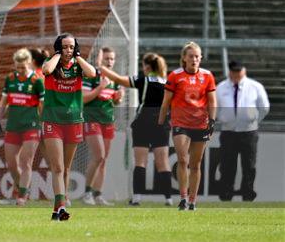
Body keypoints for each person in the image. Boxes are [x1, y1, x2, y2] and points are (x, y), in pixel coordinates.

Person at [100, 52, 173, 206]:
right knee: (163, 162)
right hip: (162, 123)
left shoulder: (144, 80)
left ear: (146, 66)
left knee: (140, 161)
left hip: (144, 122)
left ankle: (137, 197)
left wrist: (102, 68)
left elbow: (119, 80)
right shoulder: (167, 82)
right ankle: (169, 199)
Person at [42, 33, 96, 221]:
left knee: (66, 168)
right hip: (52, 120)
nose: (68, 50)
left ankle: (57, 210)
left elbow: (92, 73)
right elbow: (47, 70)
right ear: (58, 48)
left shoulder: (78, 66)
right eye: (64, 47)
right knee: (57, 167)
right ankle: (62, 206)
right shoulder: (51, 62)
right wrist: (57, 54)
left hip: (74, 120)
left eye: (71, 47)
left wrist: (78, 56)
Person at [158, 42, 216, 211]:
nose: (194, 59)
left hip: (200, 123)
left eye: (197, 56)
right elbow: (166, 102)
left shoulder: (207, 76)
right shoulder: (175, 76)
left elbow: (212, 101)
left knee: (196, 164)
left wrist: (212, 122)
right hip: (180, 123)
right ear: (184, 58)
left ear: (201, 58)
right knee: (183, 160)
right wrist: (160, 123)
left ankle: (192, 201)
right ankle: (183, 198)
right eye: (191, 56)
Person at [0, 48, 45, 206]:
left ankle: (22, 196)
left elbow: (43, 105)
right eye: (18, 67)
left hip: (31, 125)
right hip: (13, 126)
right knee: (11, 162)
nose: (20, 70)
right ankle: (20, 189)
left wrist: (43, 125)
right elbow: (3, 102)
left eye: (23, 67)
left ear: (29, 63)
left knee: (25, 161)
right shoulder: (10, 79)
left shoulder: (36, 81)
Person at [217, 60, 270, 201]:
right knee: (227, 165)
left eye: (239, 71)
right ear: (230, 71)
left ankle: (247, 194)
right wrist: (223, 119)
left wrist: (253, 121)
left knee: (249, 165)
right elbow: (214, 107)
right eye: (234, 71)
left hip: (249, 133)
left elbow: (264, 107)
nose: (236, 74)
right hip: (228, 132)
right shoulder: (221, 87)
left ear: (244, 71)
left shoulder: (255, 86)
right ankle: (226, 195)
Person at [81, 47, 123, 206]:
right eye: (107, 59)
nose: (110, 62)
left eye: (112, 59)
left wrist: (118, 98)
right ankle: (87, 194)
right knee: (98, 156)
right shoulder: (92, 75)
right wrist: (100, 87)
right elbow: (84, 98)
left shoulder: (114, 79)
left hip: (108, 121)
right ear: (100, 60)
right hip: (92, 119)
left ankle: (98, 195)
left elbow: (114, 100)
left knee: (103, 159)